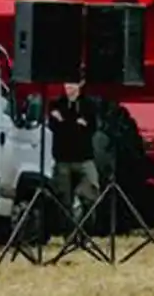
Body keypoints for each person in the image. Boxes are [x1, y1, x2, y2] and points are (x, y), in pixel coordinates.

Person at [48, 81, 100, 230]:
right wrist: (75, 124)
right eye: (66, 85)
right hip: (62, 159)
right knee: (64, 199)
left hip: (84, 158)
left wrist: (64, 122)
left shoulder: (88, 105)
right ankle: (68, 232)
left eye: (72, 85)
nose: (68, 88)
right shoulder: (56, 104)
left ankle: (87, 229)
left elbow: (91, 127)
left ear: (80, 85)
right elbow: (55, 126)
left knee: (91, 192)